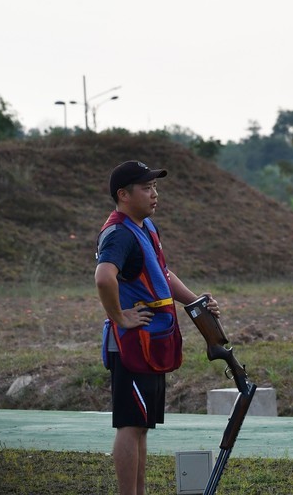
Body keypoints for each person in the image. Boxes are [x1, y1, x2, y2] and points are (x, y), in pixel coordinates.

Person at [95, 159, 219, 495]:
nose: (154, 194)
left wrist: (196, 301)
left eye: (155, 187)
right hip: (132, 345)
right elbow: (104, 277)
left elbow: (162, 273)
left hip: (150, 343)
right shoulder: (120, 234)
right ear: (123, 195)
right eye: (146, 188)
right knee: (129, 424)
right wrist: (120, 317)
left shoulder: (145, 227)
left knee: (141, 426)